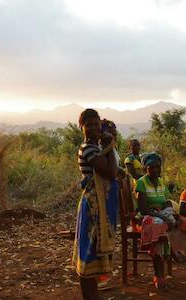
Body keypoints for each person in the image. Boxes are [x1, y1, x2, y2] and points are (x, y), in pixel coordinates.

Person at [72, 109, 119, 300]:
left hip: (99, 207)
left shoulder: (97, 147)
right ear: (81, 127)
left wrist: (108, 145)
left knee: (94, 253)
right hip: (92, 207)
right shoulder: (89, 149)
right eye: (88, 124)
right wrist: (110, 145)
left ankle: (93, 296)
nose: (92, 128)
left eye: (95, 124)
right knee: (89, 252)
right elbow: (111, 172)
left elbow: (113, 169)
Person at [135, 152, 174, 289]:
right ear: (146, 168)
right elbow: (144, 209)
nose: (155, 170)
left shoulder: (161, 182)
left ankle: (169, 253)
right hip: (146, 218)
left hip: (160, 214)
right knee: (158, 227)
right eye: (152, 167)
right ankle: (159, 275)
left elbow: (166, 201)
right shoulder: (141, 183)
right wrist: (163, 216)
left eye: (157, 167)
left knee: (180, 223)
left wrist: (167, 209)